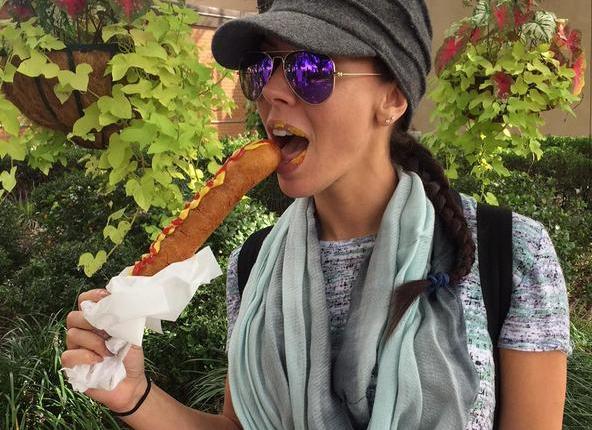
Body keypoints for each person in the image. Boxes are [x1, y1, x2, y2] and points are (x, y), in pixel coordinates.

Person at [60, 1, 571, 429]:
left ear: (393, 98)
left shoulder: (512, 253)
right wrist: (135, 395)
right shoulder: (255, 265)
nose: (272, 92)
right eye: (262, 69)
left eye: (311, 69)